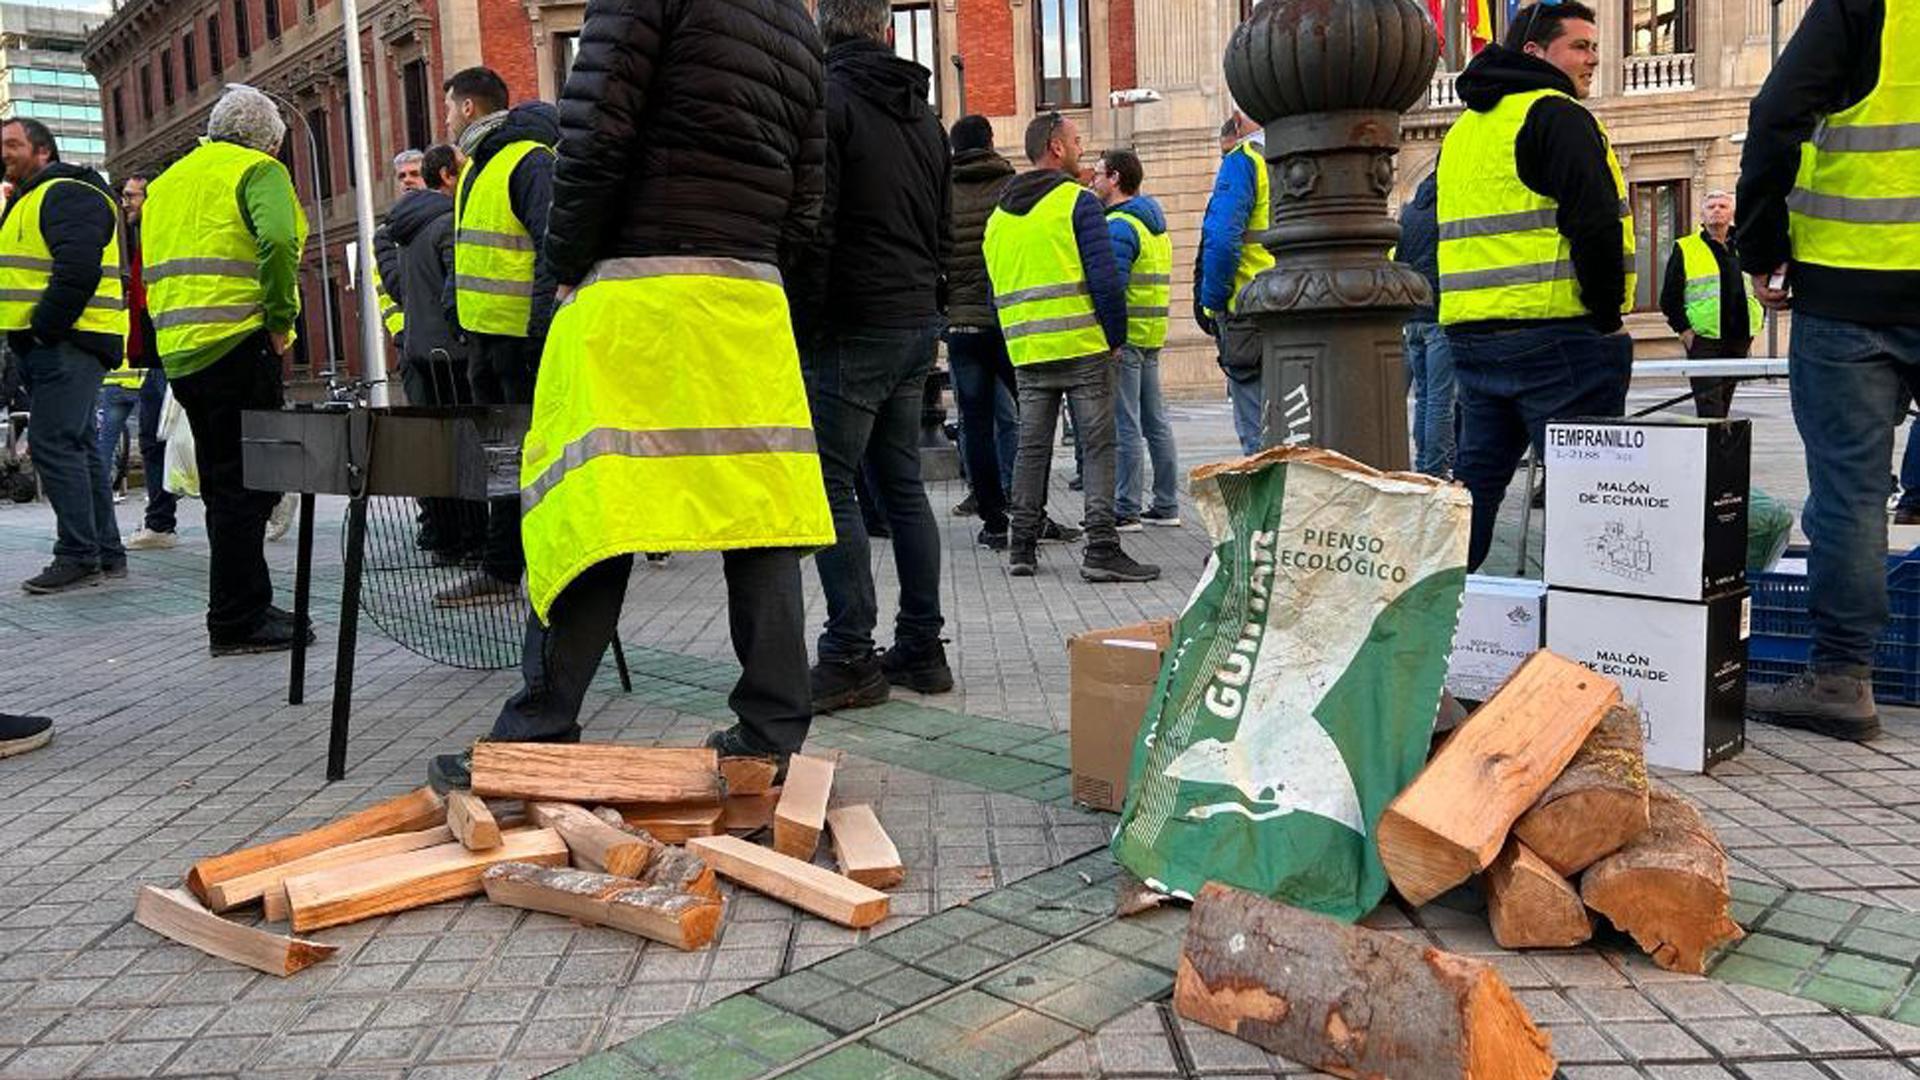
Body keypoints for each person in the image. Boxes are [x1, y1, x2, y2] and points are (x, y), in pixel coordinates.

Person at [426, 0, 835, 788]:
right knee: (761, 515)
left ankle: (538, 735)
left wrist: (568, 263)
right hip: (746, 292)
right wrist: (776, 283)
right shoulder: (794, 17)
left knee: (592, 502)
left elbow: (595, 131)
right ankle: (770, 735)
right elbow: (809, 182)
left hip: (637, 286)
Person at [1738, 0, 1918, 742]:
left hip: (1852, 287)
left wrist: (1761, 243)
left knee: (1850, 493)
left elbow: (1778, 111)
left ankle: (1843, 678)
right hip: (1852, 290)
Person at [789, 0, 952, 712]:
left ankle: (850, 654)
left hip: (852, 321)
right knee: (903, 485)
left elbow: (815, 224)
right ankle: (921, 646)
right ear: (886, 30)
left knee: (831, 486)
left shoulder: (826, 101)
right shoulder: (925, 116)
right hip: (915, 313)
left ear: (823, 30)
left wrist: (808, 317)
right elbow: (943, 225)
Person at [1437, 1, 1635, 572]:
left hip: (1475, 339)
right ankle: (1582, 643)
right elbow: (1594, 222)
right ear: (1535, 52)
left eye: (1595, 47)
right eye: (1580, 47)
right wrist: (1605, 315)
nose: (1593, 59)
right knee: (1592, 505)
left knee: (1474, 492)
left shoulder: (1466, 131)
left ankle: (1436, 625)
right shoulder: (1557, 115)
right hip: (1557, 338)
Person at [143, 85, 312, 654]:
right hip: (238, 341)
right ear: (268, 140)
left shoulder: (167, 184)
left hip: (182, 352)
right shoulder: (257, 171)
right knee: (248, 484)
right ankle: (239, 617)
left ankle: (241, 605)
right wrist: (280, 317)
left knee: (224, 485)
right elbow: (281, 240)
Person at [984, 112, 1159, 583]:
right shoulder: (1078, 203)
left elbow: (993, 289)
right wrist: (1115, 337)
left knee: (1031, 447)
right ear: (1056, 148)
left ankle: (1021, 546)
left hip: (1028, 350)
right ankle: (1101, 548)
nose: (1082, 150)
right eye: (1077, 141)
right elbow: (1105, 279)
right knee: (1099, 445)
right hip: (1083, 346)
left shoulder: (998, 217)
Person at [436, 68, 558, 607]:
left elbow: (551, 250)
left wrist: (538, 332)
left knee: (528, 458)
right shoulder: (475, 170)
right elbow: (468, 251)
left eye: (447, 108)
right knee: (501, 462)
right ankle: (504, 567)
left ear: (467, 109)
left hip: (518, 343)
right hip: (486, 341)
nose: (443, 120)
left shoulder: (528, 161)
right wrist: (455, 310)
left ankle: (530, 565)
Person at [0, 118, 127, 594]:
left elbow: (77, 269)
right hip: (56, 343)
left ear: (43, 151)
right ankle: (104, 553)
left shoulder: (66, 193)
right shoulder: (29, 198)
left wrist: (43, 331)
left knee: (53, 444)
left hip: (69, 341)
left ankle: (77, 554)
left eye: (13, 144)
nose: (5, 152)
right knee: (76, 446)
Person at [388, 144, 484, 563]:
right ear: (445, 177)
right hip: (453, 355)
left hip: (419, 351)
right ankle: (472, 540)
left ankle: (447, 540)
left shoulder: (403, 230)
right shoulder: (445, 225)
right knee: (466, 451)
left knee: (436, 453)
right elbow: (454, 294)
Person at [1091, 147, 1181, 530]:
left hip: (1125, 340)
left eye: (1097, 174)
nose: (1092, 181)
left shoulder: (1119, 227)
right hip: (1151, 334)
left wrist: (1109, 335)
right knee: (1155, 422)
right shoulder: (1154, 225)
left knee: (1125, 424)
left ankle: (1126, 508)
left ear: (1114, 178)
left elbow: (1114, 288)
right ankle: (1166, 504)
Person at [945, 114, 1021, 543]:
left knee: (974, 424)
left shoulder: (942, 190)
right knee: (1032, 417)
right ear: (991, 142)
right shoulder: (1009, 187)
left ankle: (994, 522)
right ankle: (1030, 510)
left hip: (963, 325)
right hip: (1007, 321)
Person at [1198, 110, 1272, 455]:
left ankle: (1268, 508)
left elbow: (1222, 239)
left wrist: (1212, 302)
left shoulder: (1244, 161)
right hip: (1298, 305)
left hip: (1247, 309)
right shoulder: (1292, 155)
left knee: (1257, 435)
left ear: (1239, 118)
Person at [1656, 189, 1761, 419]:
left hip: (1740, 337)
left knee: (1723, 403)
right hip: (1704, 339)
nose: (1716, 210)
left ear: (1731, 213)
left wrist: (1758, 320)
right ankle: (1714, 452)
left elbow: (1759, 283)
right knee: (1709, 407)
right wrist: (1684, 330)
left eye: (1722, 206)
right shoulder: (1686, 247)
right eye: (1711, 206)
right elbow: (1669, 297)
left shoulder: (1745, 244)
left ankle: (1721, 450)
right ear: (1702, 215)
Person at [119, 173, 179, 551]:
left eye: (131, 196)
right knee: (155, 440)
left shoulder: (160, 235)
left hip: (172, 353)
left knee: (174, 439)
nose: (125, 202)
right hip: (159, 357)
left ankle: (270, 495)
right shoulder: (144, 238)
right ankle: (160, 523)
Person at [1397, 172, 1454, 478]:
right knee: (1440, 400)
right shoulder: (1447, 209)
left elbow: (1401, 258)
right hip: (1439, 312)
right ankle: (1434, 468)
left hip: (1413, 316)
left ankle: (1423, 464)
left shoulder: (1410, 213)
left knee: (1424, 398)